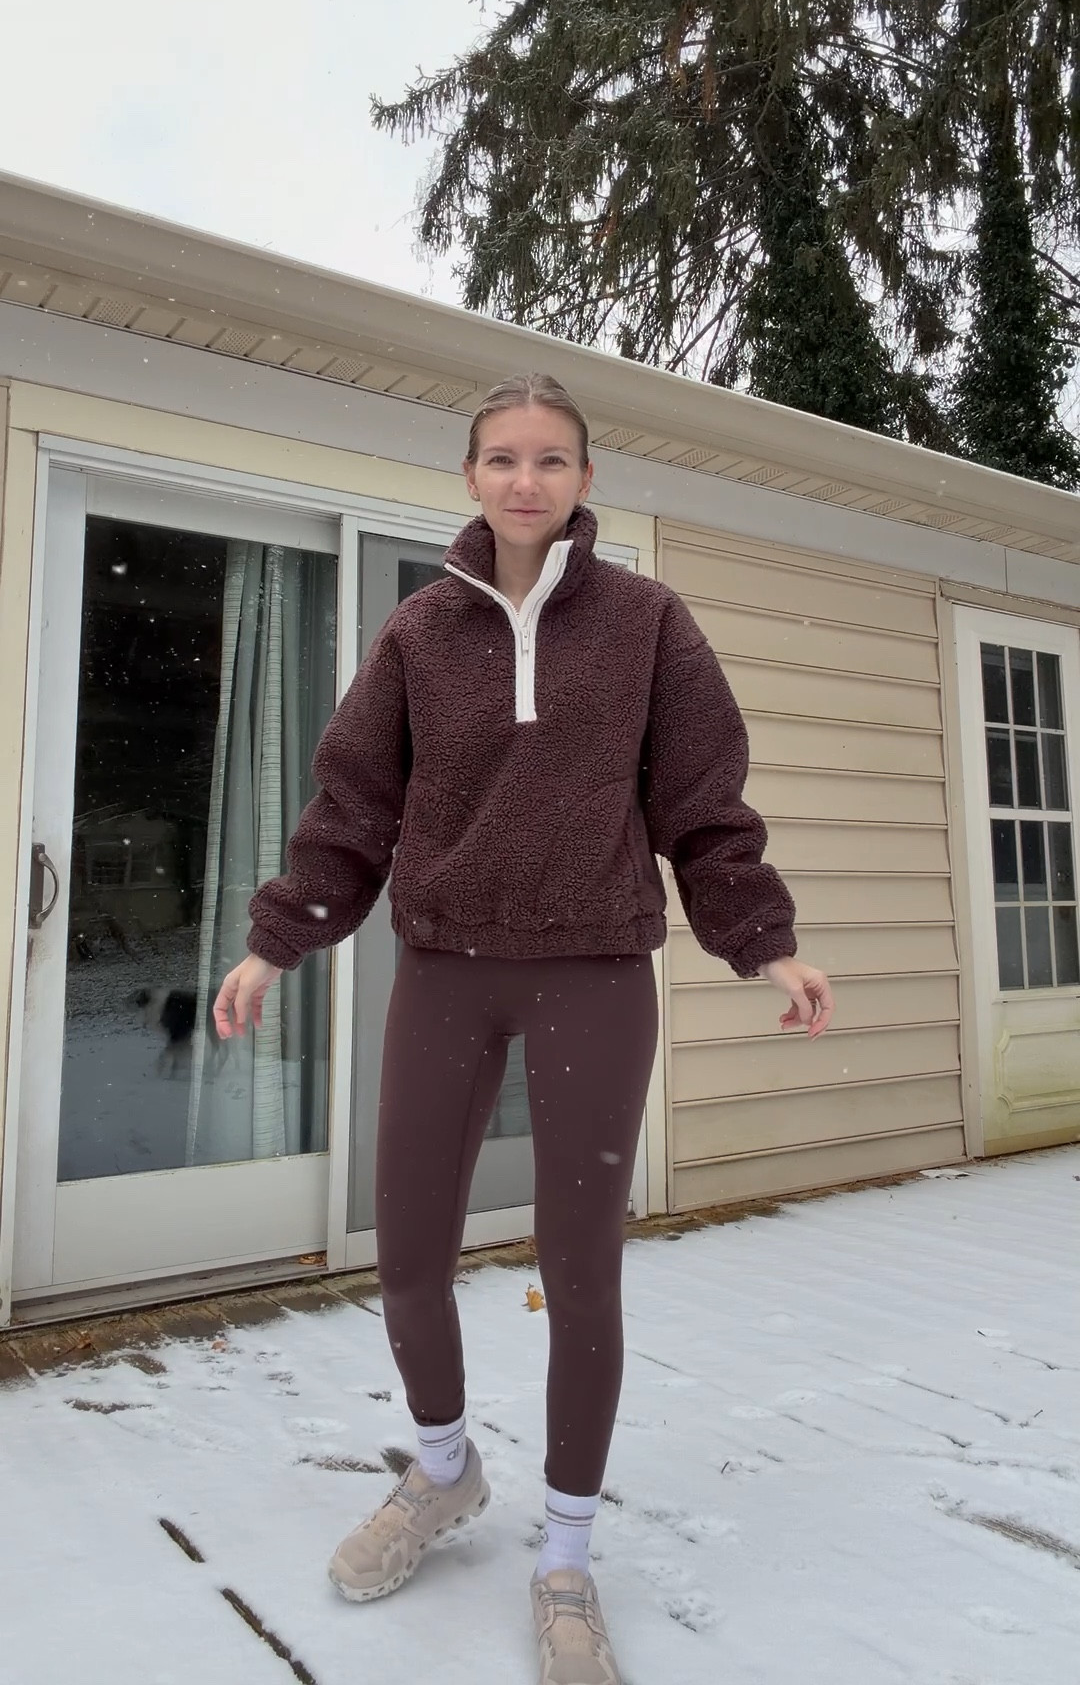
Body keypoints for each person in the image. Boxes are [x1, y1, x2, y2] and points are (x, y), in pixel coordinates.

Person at [213, 372, 835, 1685]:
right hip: (446, 970)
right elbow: (352, 808)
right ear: (471, 477)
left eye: (552, 459)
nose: (525, 480)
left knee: (579, 1271)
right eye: (502, 457)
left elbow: (705, 806)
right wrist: (278, 940)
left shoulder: (650, 624)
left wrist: (763, 942)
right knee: (411, 1252)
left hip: (595, 975)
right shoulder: (421, 633)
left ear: (585, 481)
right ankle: (441, 1473)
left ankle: (563, 1556)